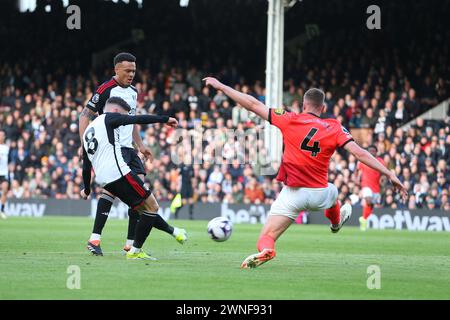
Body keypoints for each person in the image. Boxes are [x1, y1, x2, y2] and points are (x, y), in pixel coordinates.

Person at [203, 77, 408, 269]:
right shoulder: (334, 127)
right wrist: (389, 174)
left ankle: (267, 250)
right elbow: (360, 153)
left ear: (303, 105)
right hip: (320, 192)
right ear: (324, 108)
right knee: (333, 191)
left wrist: (222, 86)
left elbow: (253, 104)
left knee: (266, 237)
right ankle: (335, 223)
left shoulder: (289, 119)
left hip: (293, 195)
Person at [79, 53, 172, 255]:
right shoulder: (104, 90)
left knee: (139, 189)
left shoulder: (133, 91)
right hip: (112, 147)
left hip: (129, 148)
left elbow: (132, 120)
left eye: (134, 71)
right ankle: (95, 238)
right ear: (116, 70)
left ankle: (130, 243)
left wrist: (140, 145)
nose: (131, 74)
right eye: (127, 71)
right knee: (112, 191)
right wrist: (84, 144)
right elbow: (84, 116)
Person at [80, 97, 187, 260]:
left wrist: (86, 189)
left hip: (104, 179)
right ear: (116, 112)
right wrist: (165, 119)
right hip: (119, 173)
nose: (124, 122)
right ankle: (135, 251)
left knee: (143, 209)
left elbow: (86, 166)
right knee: (153, 207)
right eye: (123, 116)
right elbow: (138, 119)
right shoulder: (109, 117)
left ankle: (165, 235)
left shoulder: (88, 131)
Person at [357, 145, 385, 231]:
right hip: (366, 184)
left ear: (376, 152)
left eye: (374, 151)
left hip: (376, 187)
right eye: (370, 151)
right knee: (368, 200)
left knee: (371, 205)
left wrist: (383, 180)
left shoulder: (380, 161)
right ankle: (364, 219)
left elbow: (383, 173)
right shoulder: (363, 160)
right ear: (367, 152)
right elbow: (359, 172)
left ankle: (363, 219)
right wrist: (358, 180)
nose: (372, 152)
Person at [0, 130, 10, 219]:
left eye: (3, 135)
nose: (1, 137)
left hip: (4, 173)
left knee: (5, 190)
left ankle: (2, 210)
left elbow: (9, 160)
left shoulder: (6, 148)